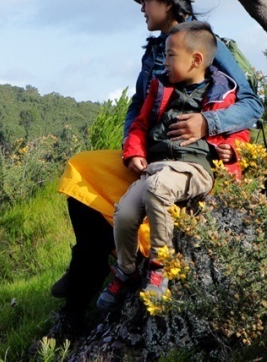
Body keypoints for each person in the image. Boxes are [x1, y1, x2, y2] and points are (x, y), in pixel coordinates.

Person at [50, 0, 263, 326]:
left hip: (193, 163)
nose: (142, 7)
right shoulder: (154, 52)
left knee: (136, 198)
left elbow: (251, 105)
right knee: (81, 170)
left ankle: (82, 296)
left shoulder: (205, 44)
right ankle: (87, 266)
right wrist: (131, 146)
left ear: (170, 3)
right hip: (150, 156)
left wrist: (205, 124)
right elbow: (138, 106)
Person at [96, 20, 250, 308]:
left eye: (170, 56)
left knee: (157, 188)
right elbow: (140, 124)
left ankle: (160, 265)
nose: (164, 62)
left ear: (196, 60)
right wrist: (133, 151)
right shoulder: (160, 88)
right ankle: (126, 271)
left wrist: (233, 150)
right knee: (125, 214)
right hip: (157, 168)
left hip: (196, 168)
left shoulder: (221, 92)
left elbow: (239, 131)